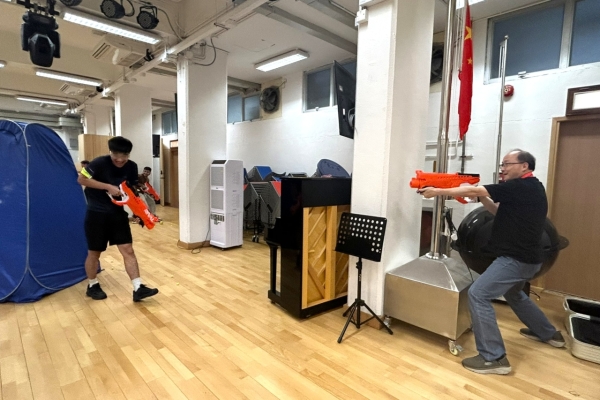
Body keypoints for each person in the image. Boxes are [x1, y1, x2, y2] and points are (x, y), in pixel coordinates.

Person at [419, 149, 564, 375]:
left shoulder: (521, 186)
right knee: (515, 294)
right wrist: (482, 198)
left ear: (524, 166)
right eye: (502, 164)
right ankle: (548, 333)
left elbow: (475, 189)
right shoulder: (530, 188)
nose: (503, 169)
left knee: (478, 294)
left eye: (507, 164)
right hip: (530, 258)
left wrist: (438, 191)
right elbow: (497, 211)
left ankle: (494, 358)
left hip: (517, 259)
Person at [78, 137, 159, 302]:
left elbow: (131, 190)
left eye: (125, 156)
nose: (120, 159)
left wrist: (138, 213)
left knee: (128, 250)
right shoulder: (98, 163)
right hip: (96, 214)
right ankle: (92, 285)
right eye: (116, 155)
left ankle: (138, 287)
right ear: (110, 152)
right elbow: (81, 179)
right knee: (94, 253)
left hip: (117, 214)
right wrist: (107, 186)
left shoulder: (132, 167)